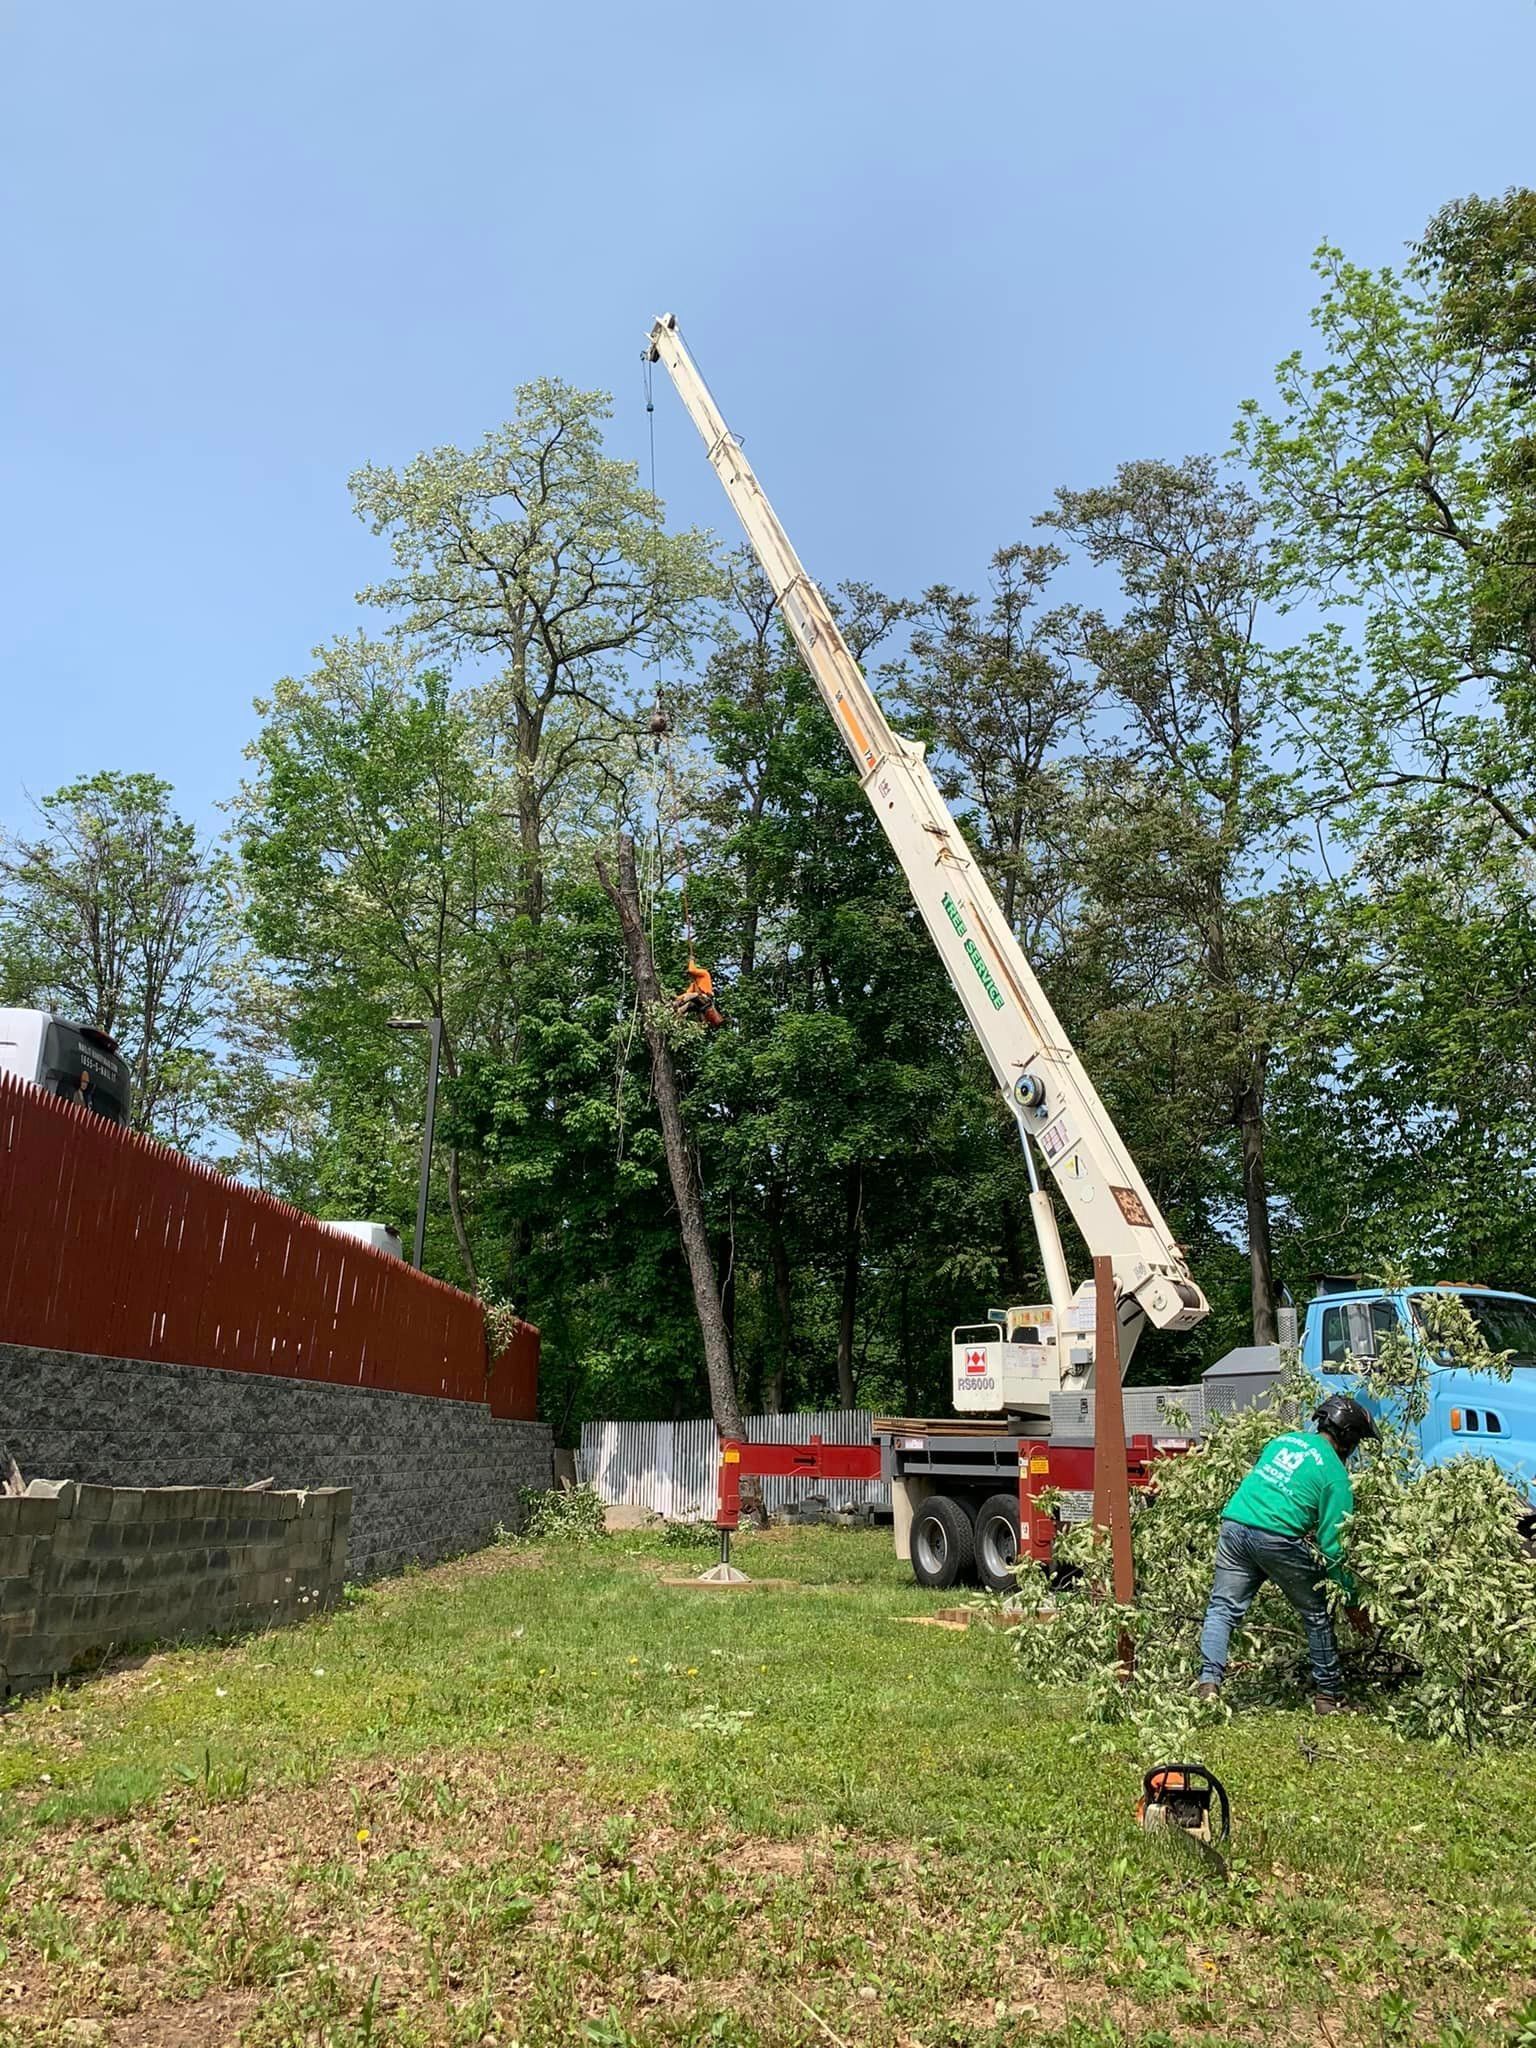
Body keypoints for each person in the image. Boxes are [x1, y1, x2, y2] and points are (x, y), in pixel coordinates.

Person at [1196, 1393, 1378, 1715]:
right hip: (1276, 1537)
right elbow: (1333, 1547)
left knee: (1222, 1608)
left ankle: (1209, 1685)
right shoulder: (1336, 1475)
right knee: (1316, 1614)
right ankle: (1329, 1698)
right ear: (1348, 1438)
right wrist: (1349, 1601)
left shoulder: (1283, 1441)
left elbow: (1275, 1488)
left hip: (1236, 1523)